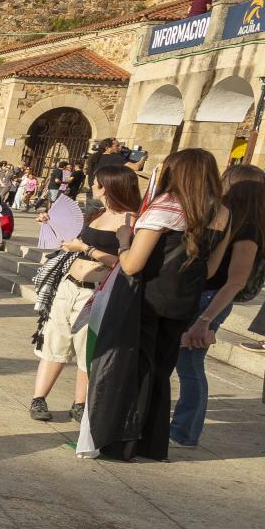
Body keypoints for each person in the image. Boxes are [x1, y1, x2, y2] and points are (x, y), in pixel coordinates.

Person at [96, 149, 230, 462]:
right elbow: (209, 270)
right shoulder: (222, 213)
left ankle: (121, 442)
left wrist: (125, 237)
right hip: (184, 300)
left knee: (136, 368)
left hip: (148, 297)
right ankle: (152, 444)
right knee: (161, 369)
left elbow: (131, 265)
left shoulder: (165, 207)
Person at [28, 165, 142, 422]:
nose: (92, 186)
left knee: (84, 347)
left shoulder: (130, 221)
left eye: (97, 183)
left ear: (109, 187)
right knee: (54, 341)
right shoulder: (97, 213)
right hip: (69, 284)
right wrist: (51, 223)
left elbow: (125, 263)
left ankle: (80, 403)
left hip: (96, 293)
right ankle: (39, 399)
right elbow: (73, 241)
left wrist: (88, 249)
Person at [171, 164, 264, 447]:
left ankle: (185, 431)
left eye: (226, 182)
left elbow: (235, 281)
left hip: (211, 301)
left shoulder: (248, 230)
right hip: (204, 297)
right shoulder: (230, 223)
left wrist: (205, 320)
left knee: (190, 364)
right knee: (185, 363)